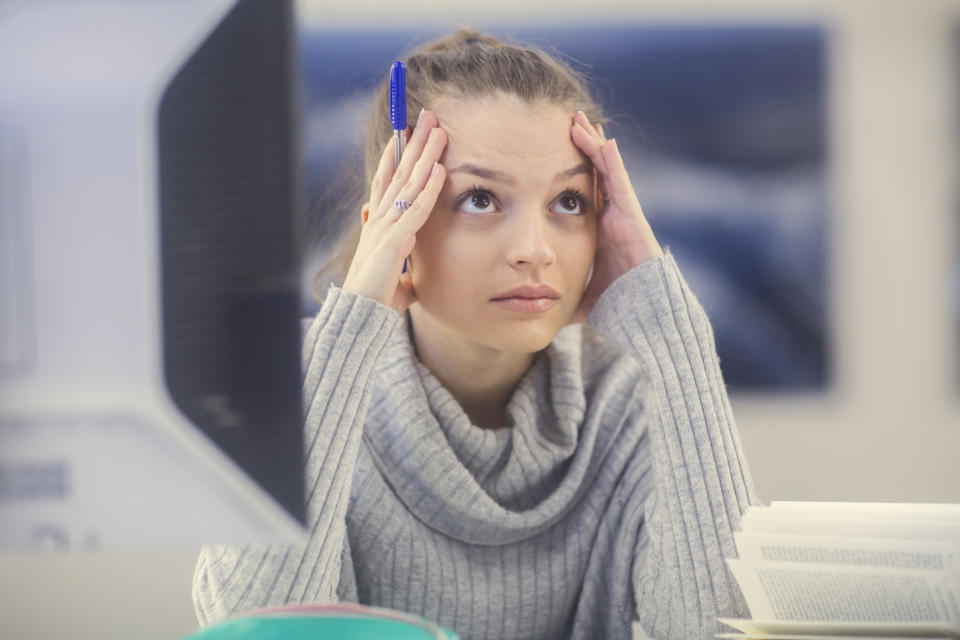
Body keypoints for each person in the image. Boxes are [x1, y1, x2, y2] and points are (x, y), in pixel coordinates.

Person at [192, 29, 759, 640]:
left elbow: (717, 631)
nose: (535, 252)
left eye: (569, 201)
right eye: (481, 198)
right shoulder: (297, 390)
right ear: (394, 228)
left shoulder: (625, 403)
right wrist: (353, 323)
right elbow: (252, 628)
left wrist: (675, 342)